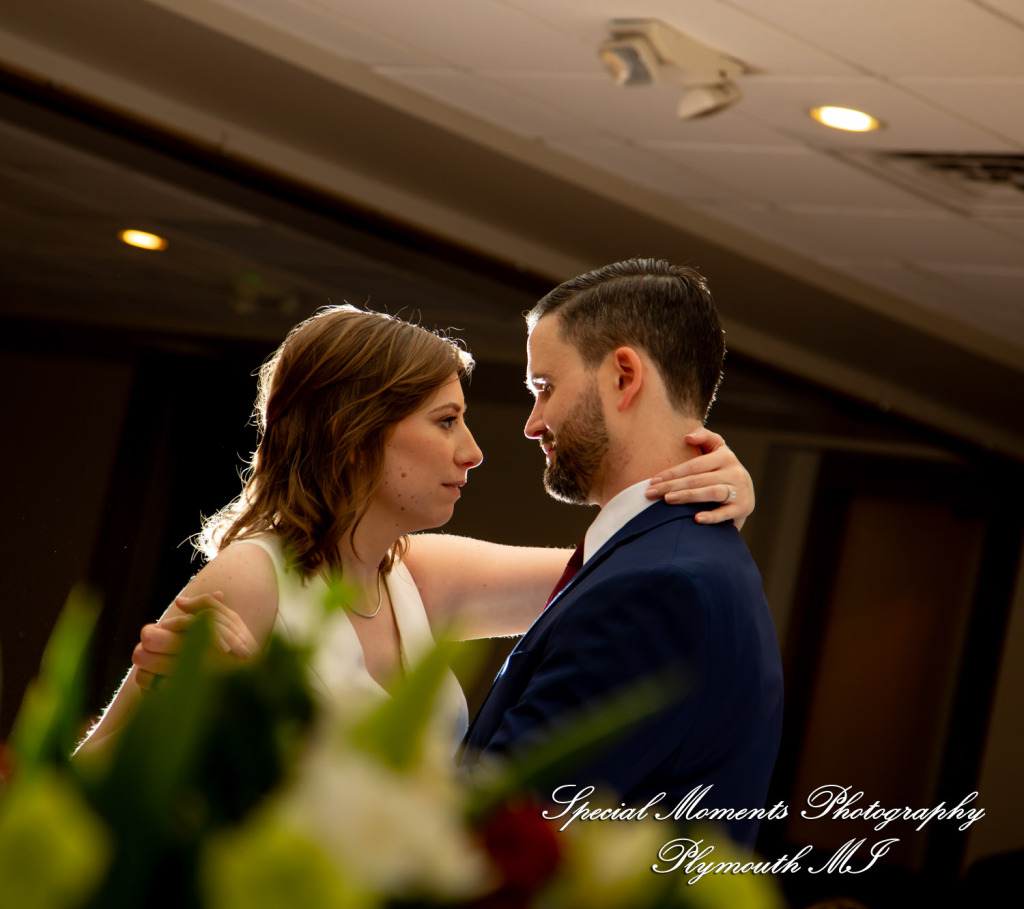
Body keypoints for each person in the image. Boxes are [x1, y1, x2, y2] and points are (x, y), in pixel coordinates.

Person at [76, 304, 755, 758]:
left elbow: (634, 574)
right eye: (445, 421)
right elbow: (92, 778)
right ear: (357, 431)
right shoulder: (252, 579)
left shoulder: (417, 574)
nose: (473, 451)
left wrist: (718, 501)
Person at [459, 259, 784, 849]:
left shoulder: (658, 585)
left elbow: (505, 824)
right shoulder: (674, 560)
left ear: (623, 376)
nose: (533, 423)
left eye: (544, 388)